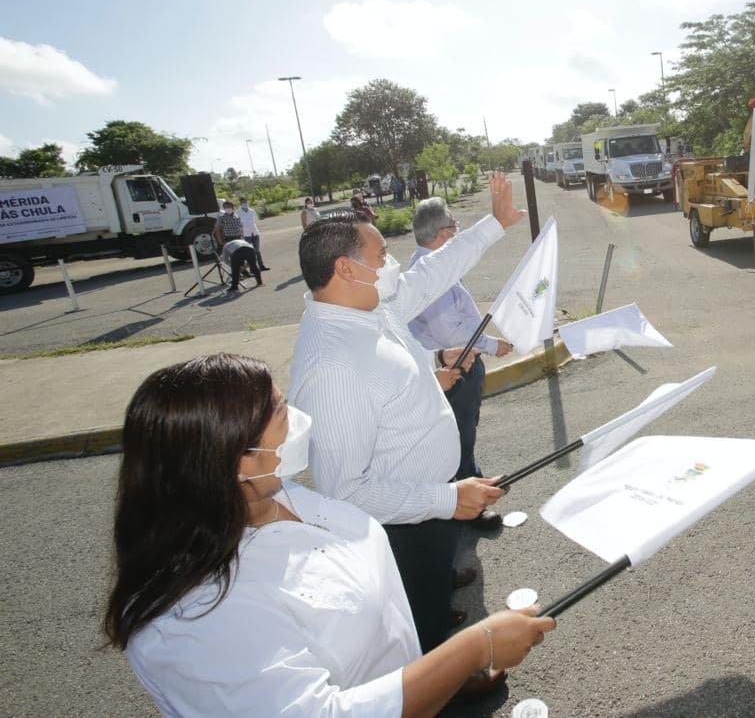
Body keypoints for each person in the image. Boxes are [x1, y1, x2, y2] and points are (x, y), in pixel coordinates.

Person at [104, 353, 554, 717]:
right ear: (238, 458)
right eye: (281, 410)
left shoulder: (273, 490)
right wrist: (474, 648)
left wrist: (438, 675)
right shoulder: (194, 619)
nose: (300, 417)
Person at [289, 173, 524, 674]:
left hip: (428, 507)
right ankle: (446, 676)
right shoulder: (332, 366)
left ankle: (437, 610)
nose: (392, 265)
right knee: (411, 619)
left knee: (432, 587)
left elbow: (433, 274)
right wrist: (448, 499)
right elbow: (345, 491)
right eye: (380, 257)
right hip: (402, 525)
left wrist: (495, 225)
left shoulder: (367, 306)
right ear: (346, 268)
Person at [408, 198, 514, 531]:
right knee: (459, 434)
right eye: (456, 227)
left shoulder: (428, 266)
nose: (459, 233)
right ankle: (468, 504)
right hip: (452, 369)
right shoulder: (431, 276)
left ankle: (473, 482)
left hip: (452, 366)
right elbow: (452, 332)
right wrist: (492, 344)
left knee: (462, 430)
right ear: (442, 233)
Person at [236, 196, 268, 271]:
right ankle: (253, 268)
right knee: (249, 252)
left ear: (247, 202)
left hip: (255, 232)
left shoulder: (252, 211)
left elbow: (255, 221)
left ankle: (261, 266)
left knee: (257, 250)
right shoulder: (238, 212)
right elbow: (238, 224)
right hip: (246, 235)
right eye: (242, 202)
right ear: (240, 203)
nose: (244, 204)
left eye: (245, 202)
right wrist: (241, 234)